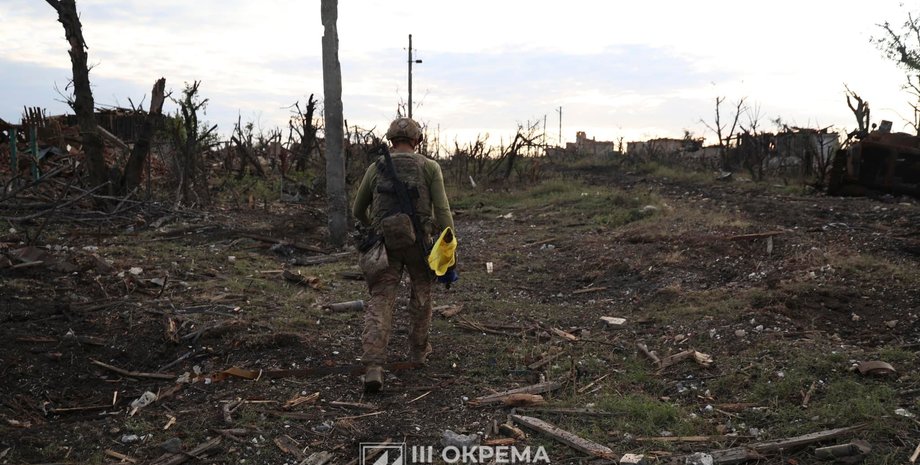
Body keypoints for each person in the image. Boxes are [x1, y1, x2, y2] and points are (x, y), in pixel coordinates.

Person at [352, 117, 454, 392]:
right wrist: (449, 243)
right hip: (420, 243)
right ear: (417, 141)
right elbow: (442, 212)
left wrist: (374, 226)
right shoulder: (430, 167)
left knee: (381, 299)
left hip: (384, 244)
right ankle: (418, 354)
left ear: (390, 140)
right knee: (421, 296)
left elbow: (357, 211)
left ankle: (374, 364)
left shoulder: (376, 167)